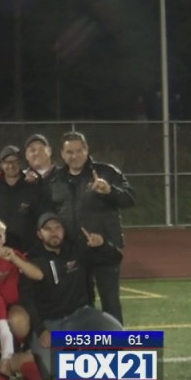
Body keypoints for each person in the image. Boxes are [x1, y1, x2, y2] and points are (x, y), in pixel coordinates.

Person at [44, 131, 134, 323]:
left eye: (79, 151)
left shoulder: (106, 172)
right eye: (69, 152)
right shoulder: (55, 179)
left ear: (87, 150)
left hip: (105, 249)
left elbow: (129, 199)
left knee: (111, 304)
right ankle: (88, 341)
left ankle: (115, 341)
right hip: (73, 252)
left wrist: (109, 191)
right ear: (62, 154)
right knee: (82, 307)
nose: (74, 156)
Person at [21, 213, 124, 380]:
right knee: (49, 370)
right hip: (50, 323)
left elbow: (115, 258)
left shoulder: (77, 251)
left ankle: (86, 357)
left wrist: (103, 244)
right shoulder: (32, 260)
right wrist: (40, 330)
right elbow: (27, 299)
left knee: (115, 333)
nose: (54, 232)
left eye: (58, 227)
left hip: (80, 316)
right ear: (39, 234)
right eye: (48, 229)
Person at [0, 145, 42, 252]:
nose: (11, 165)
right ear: (1, 165)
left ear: (20, 163)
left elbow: (40, 218)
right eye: (6, 162)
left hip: (27, 251)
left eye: (14, 161)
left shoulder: (32, 189)